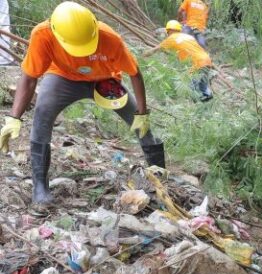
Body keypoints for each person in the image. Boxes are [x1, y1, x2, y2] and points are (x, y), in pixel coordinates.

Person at [0, 2, 164, 206]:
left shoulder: (110, 37)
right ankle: (40, 187)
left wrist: (142, 113)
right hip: (62, 78)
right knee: (43, 112)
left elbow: (134, 73)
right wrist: (13, 118)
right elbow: (30, 77)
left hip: (105, 81)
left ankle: (160, 180)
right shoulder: (43, 35)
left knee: (141, 125)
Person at [145, 20, 213, 102]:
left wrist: (142, 56)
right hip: (207, 60)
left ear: (168, 30)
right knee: (203, 88)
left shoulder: (171, 38)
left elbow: (155, 50)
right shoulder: (188, 37)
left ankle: (194, 105)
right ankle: (207, 100)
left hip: (196, 64)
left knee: (189, 88)